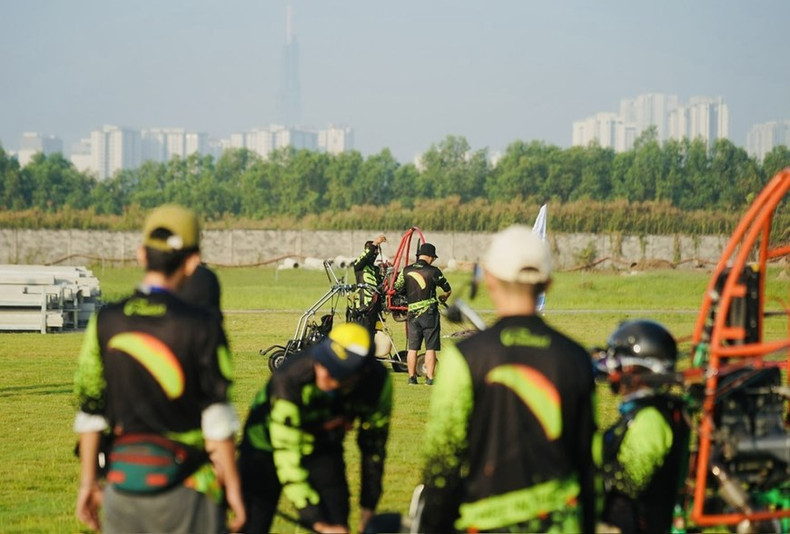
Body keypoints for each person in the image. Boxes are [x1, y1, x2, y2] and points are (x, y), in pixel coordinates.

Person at [73, 204, 245, 533]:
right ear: (193, 262)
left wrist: (88, 483)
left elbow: (90, 409)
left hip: (122, 488)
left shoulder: (106, 319)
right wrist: (234, 489)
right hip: (189, 489)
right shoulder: (203, 325)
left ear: (141, 255)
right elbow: (217, 417)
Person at [418, 225, 597, 533]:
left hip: (484, 522)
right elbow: (588, 461)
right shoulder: (576, 358)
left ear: (489, 279)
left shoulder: (465, 358)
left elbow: (442, 458)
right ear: (547, 284)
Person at [237, 322, 392, 534]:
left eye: (333, 370)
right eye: (322, 360)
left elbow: (373, 448)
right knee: (252, 525)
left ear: (357, 376)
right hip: (264, 447)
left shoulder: (377, 384)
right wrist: (315, 520)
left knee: (337, 522)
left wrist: (368, 510)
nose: (321, 371)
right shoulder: (290, 378)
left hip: (322, 445)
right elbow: (286, 454)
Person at [597, 319, 690, 534]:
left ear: (633, 368)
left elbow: (628, 483)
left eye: (618, 363)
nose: (612, 370)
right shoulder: (644, 410)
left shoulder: (651, 418)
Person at [393, 242, 451, 385]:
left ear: (419, 255)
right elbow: (447, 288)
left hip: (412, 314)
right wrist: (445, 297)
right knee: (430, 347)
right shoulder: (434, 271)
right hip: (430, 314)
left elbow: (397, 288)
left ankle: (412, 378)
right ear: (430, 257)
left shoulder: (406, 270)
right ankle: (430, 379)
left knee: (412, 348)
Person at [350, 234, 387, 336]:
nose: (374, 255)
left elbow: (381, 286)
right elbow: (364, 257)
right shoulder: (359, 266)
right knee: (363, 336)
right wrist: (375, 243)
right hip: (364, 308)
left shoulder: (375, 269)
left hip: (375, 307)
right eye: (373, 252)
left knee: (373, 336)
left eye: (376, 253)